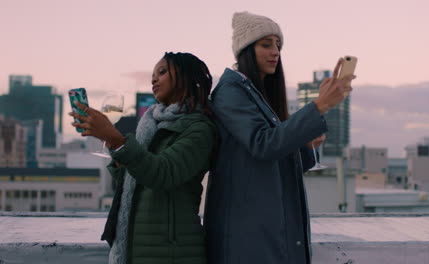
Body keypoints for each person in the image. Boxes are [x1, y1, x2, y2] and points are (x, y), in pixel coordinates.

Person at [204, 12, 355, 264]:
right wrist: (319, 106)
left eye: (278, 45)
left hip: (269, 227)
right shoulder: (230, 92)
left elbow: (283, 159)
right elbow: (263, 145)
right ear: (245, 50)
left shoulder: (258, 95)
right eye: (266, 44)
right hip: (248, 233)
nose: (275, 51)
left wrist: (305, 142)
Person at [69, 52, 217, 264]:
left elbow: (162, 173)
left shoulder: (199, 128)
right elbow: (133, 178)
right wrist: (111, 142)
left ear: (185, 76)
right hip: (141, 249)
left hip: (173, 252)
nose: (154, 79)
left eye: (162, 72)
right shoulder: (150, 124)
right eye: (153, 75)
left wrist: (115, 138)